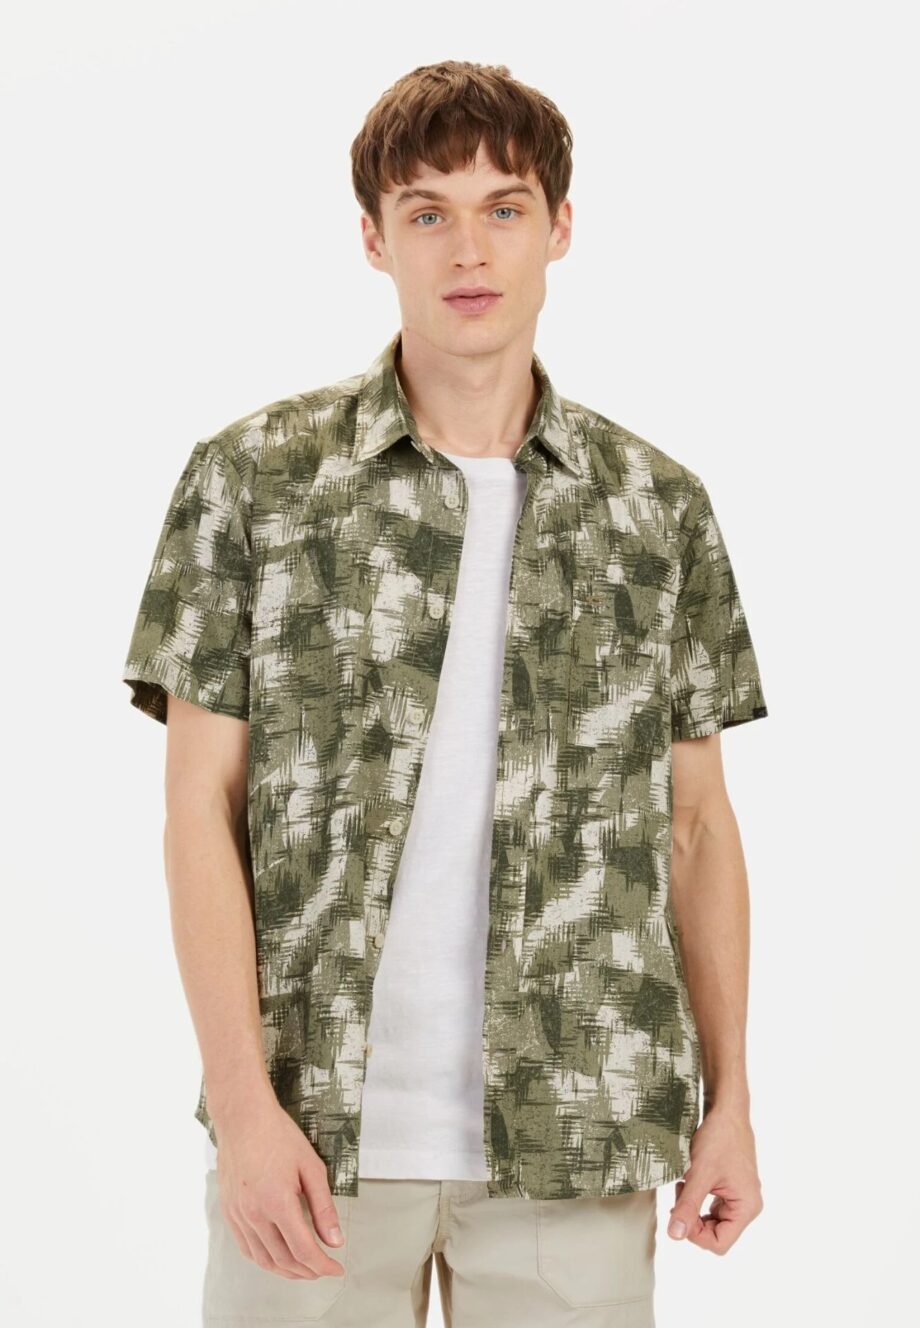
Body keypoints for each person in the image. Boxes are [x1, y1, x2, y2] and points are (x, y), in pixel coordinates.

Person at [122, 59, 768, 1328]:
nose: (467, 249)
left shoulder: (655, 509)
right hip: (312, 1129)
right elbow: (200, 807)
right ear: (374, 237)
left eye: (502, 208)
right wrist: (243, 1106)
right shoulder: (253, 480)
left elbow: (696, 824)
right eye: (426, 212)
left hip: (577, 1126)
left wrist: (729, 1095)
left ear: (558, 227)